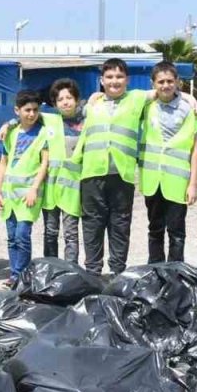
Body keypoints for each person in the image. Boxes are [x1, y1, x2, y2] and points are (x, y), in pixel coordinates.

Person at [74, 58, 148, 276]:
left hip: (121, 175)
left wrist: (188, 97)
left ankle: (117, 273)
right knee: (92, 224)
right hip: (92, 174)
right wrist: (11, 123)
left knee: (120, 225)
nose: (114, 81)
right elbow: (62, 115)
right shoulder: (92, 104)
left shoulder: (136, 99)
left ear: (127, 80)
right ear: (101, 80)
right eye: (109, 77)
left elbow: (165, 92)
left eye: (119, 76)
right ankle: (93, 272)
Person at [139, 61, 197, 263]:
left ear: (177, 82)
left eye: (169, 81)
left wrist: (193, 184)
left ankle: (176, 274)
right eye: (160, 82)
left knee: (176, 232)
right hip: (152, 181)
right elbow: (124, 99)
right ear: (153, 84)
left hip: (177, 183)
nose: (165, 85)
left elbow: (194, 148)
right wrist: (97, 95)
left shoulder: (188, 109)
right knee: (155, 229)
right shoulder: (146, 107)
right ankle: (155, 271)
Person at [0, 90, 53, 286]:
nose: (31, 114)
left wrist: (34, 189)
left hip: (28, 195)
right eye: (27, 110)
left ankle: (22, 275)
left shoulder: (43, 133)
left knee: (22, 235)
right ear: (17, 110)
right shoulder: (11, 133)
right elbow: (3, 163)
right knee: (11, 237)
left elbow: (44, 164)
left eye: (35, 110)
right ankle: (14, 275)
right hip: (9, 194)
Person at [44, 78, 84, 263]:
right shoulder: (49, 121)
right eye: (60, 99)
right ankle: (50, 268)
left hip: (72, 190)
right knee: (50, 231)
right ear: (54, 103)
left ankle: (71, 271)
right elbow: (26, 116)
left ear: (76, 99)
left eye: (69, 97)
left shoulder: (86, 123)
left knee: (71, 234)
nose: (65, 102)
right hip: (51, 189)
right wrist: (9, 123)